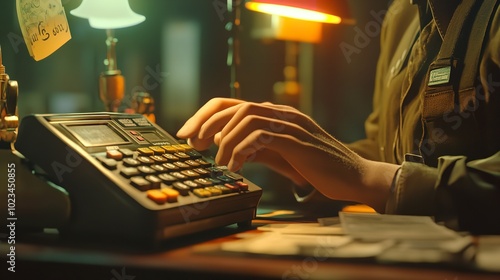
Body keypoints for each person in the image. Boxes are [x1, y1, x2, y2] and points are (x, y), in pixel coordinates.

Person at [176, 0, 500, 235]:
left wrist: (366, 177)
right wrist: (297, 159)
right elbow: (386, 151)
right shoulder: (403, 14)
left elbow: (374, 172)